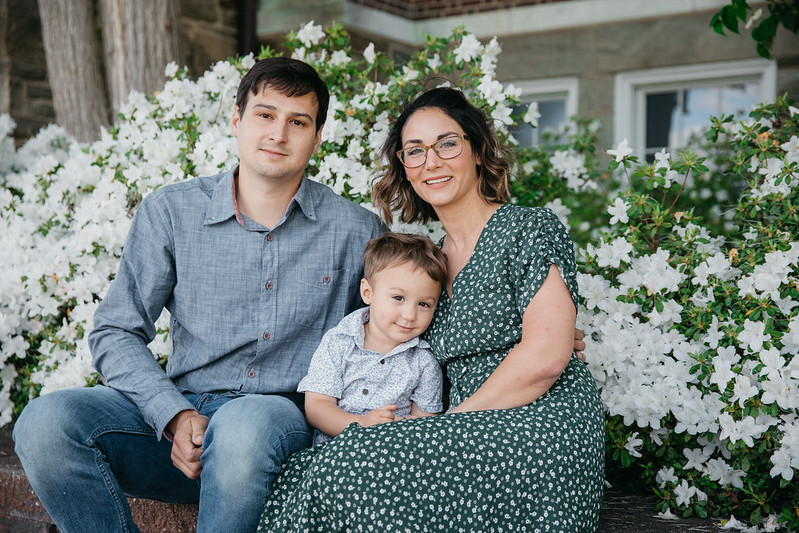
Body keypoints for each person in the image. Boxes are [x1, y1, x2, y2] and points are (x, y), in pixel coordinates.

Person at [12, 57, 385, 533]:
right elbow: (115, 330)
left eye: (298, 122)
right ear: (236, 120)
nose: (278, 133)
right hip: (181, 426)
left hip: (276, 429)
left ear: (317, 137)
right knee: (46, 424)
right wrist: (173, 414)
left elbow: (374, 347)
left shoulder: (356, 231)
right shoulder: (172, 212)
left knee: (245, 424)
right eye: (265, 115)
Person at [258, 87, 605, 532]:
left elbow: (546, 357)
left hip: (538, 424)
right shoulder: (429, 266)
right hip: (464, 430)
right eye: (414, 151)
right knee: (312, 466)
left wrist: (448, 425)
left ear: (477, 150)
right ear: (404, 167)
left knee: (347, 466)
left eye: (447, 143)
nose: (431, 162)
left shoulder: (528, 228)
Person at [300, 232, 447, 446]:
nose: (409, 315)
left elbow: (425, 424)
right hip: (335, 452)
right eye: (398, 298)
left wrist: (393, 432)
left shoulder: (423, 362)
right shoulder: (339, 342)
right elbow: (317, 407)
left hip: (393, 454)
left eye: (424, 304)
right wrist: (361, 424)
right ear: (368, 293)